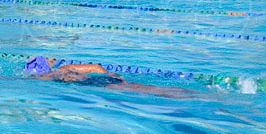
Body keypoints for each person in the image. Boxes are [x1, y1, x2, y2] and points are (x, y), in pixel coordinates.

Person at [23, 56, 189, 97]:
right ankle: (193, 94)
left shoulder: (51, 75)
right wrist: (110, 75)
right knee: (153, 89)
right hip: (103, 79)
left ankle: (205, 99)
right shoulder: (64, 68)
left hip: (98, 84)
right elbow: (96, 67)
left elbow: (33, 80)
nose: (52, 60)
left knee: (153, 92)